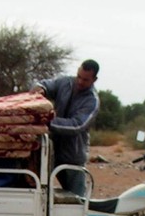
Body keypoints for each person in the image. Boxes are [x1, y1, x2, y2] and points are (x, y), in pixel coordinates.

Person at [33, 59, 100, 196]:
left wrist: (47, 122)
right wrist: (40, 88)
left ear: (94, 80)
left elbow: (76, 125)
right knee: (41, 192)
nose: (80, 82)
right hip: (51, 150)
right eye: (79, 76)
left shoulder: (92, 101)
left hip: (72, 157)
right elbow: (47, 85)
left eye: (85, 80)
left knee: (77, 200)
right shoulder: (66, 82)